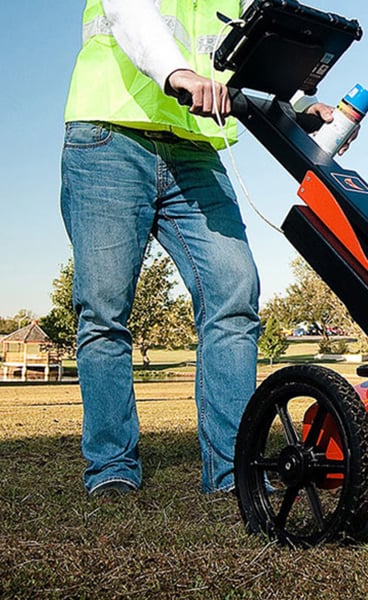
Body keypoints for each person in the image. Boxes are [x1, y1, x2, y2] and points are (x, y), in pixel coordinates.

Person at [61, 0, 335, 497]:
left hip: (194, 150)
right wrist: (179, 74)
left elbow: (242, 63)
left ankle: (234, 470)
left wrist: (291, 110)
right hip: (110, 136)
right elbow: (131, 16)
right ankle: (112, 467)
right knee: (102, 311)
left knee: (234, 292)